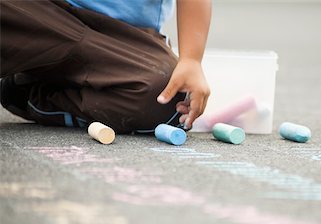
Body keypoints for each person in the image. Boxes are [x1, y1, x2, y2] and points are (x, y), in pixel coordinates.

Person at [0, 0, 211, 133]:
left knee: (168, 96)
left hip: (122, 39)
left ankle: (29, 94)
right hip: (43, 13)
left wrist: (191, 60)